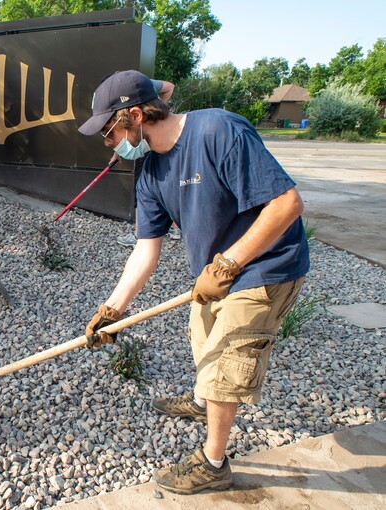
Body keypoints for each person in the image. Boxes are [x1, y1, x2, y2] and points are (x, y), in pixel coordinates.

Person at [79, 70, 309, 494]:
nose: (108, 143)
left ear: (134, 115)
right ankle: (204, 402)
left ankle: (214, 463)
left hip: (266, 263)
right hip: (214, 274)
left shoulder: (218, 130)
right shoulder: (150, 173)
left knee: (225, 361)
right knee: (202, 339)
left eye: (109, 132)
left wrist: (228, 264)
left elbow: (287, 204)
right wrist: (113, 310)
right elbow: (145, 251)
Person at [115, 78, 175, 247]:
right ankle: (147, 233)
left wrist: (156, 111)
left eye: (108, 133)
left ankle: (140, 234)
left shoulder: (145, 84)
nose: (108, 142)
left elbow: (169, 87)